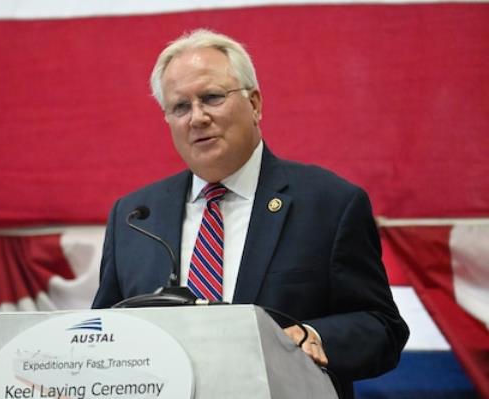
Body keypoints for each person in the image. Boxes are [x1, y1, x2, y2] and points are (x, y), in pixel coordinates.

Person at [92, 29, 409, 398]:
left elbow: (381, 327)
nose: (197, 118)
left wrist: (315, 336)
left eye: (211, 98)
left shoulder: (329, 203)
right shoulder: (134, 216)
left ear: (255, 103)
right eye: (180, 106)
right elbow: (104, 331)